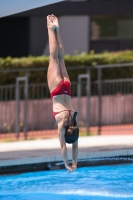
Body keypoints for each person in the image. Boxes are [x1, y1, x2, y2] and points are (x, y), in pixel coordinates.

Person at [47, 14, 79, 173]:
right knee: (53, 58)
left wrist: (75, 163)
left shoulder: (74, 122)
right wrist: (67, 164)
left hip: (67, 87)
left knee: (61, 59)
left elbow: (74, 146)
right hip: (57, 90)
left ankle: (57, 30)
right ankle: (50, 27)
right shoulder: (61, 123)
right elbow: (63, 146)